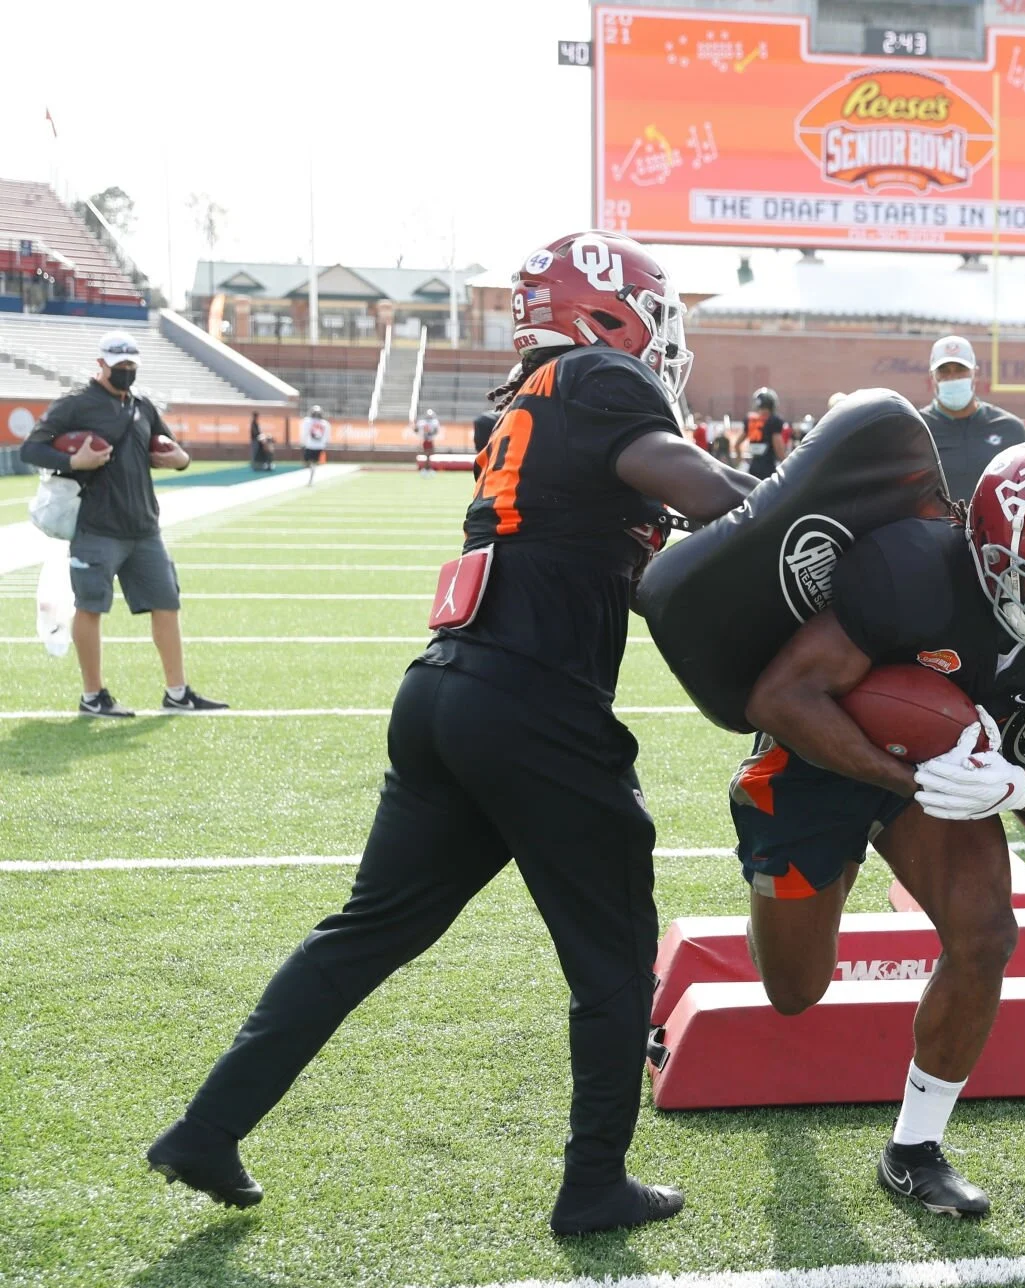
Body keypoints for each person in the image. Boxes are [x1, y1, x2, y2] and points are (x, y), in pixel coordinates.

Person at [144, 231, 756, 1237]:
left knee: (364, 933)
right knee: (612, 956)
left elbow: (634, 580)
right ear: (609, 313)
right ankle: (593, 1183)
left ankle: (206, 1129)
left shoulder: (526, 406)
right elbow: (709, 494)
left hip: (444, 693)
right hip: (532, 709)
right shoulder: (601, 378)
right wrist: (806, 519)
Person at [735, 442, 1025, 1217]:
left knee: (987, 936)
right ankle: (796, 887)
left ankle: (913, 1147)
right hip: (823, 758)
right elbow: (780, 697)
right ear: (984, 554)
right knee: (794, 990)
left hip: (951, 775)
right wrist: (911, 777)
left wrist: (1018, 783)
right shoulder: (910, 570)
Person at [20, 331, 229, 717]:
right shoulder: (76, 404)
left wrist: (181, 459)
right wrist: (73, 462)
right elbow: (31, 448)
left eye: (132, 366)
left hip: (145, 527)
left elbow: (171, 448)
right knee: (90, 608)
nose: (126, 372)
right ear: (101, 364)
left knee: (166, 604)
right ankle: (93, 696)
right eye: (119, 367)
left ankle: (178, 692)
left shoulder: (143, 406)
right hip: (97, 526)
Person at [918, 335, 1025, 500]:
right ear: (932, 376)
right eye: (944, 370)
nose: (953, 377)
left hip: (995, 525)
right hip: (935, 525)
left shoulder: (1010, 429)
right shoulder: (917, 429)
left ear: (974, 373)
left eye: (960, 369)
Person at [742, 389, 789, 480]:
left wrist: (743, 462)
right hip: (768, 468)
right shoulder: (773, 420)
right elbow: (778, 449)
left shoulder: (751, 420)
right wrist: (787, 463)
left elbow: (736, 444)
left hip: (753, 467)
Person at [302, 405, 331, 485]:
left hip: (311, 445)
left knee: (310, 463)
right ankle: (311, 475)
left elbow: (304, 433)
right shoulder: (325, 423)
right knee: (312, 463)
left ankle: (311, 477)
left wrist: (303, 442)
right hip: (317, 446)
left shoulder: (308, 421)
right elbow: (327, 436)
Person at [415, 408, 442, 476]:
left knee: (428, 455)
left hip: (426, 440)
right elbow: (435, 431)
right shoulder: (433, 422)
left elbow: (416, 430)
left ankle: (427, 468)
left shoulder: (422, 422)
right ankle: (427, 469)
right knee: (428, 455)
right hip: (428, 440)